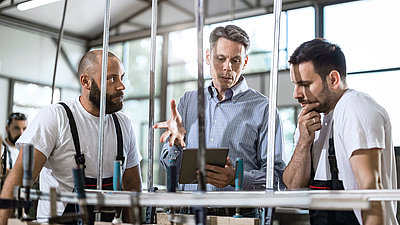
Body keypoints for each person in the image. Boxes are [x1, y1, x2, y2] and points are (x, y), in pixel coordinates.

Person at [0, 50, 142, 225]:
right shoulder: (56, 117)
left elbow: (132, 187)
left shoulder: (123, 124)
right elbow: (18, 179)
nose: (121, 86)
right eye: (112, 78)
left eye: (122, 77)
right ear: (86, 81)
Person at [154, 25, 286, 197]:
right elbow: (170, 167)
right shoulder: (188, 102)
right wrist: (176, 145)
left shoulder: (264, 109)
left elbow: (278, 178)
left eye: (235, 61)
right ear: (208, 57)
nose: (227, 67)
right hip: (188, 213)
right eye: (220, 58)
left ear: (245, 62)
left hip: (239, 217)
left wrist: (236, 178)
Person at [282, 38, 398, 225]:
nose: (296, 94)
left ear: (333, 79)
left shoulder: (355, 107)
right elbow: (294, 187)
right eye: (295, 84)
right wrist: (304, 142)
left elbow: (371, 192)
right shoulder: (310, 119)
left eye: (305, 84)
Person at [1, 113, 27, 177]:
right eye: (16, 128)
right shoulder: (1, 148)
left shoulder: (26, 150)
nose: (21, 133)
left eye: (24, 129)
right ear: (7, 129)